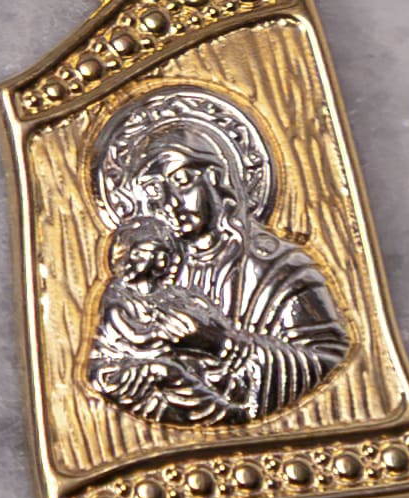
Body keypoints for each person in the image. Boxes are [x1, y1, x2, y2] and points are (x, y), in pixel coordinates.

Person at [84, 88, 346, 425]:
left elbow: (328, 359)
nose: (169, 201)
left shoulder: (281, 269)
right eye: (154, 189)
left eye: (180, 180)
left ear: (219, 180)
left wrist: (219, 343)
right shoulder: (151, 270)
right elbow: (107, 360)